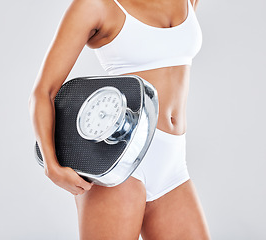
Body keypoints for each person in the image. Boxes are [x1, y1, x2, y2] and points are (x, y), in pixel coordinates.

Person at [28, 0, 211, 239]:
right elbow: (44, 91)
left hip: (172, 164)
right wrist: (51, 165)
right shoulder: (95, 5)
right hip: (115, 162)